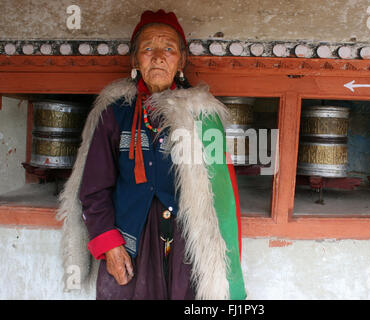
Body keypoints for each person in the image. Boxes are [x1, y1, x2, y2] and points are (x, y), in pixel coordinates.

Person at [57, 9, 246, 300]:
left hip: (186, 249)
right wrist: (110, 245)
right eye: (148, 48)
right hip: (129, 245)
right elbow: (94, 188)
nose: (158, 56)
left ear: (181, 61)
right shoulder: (114, 112)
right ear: (134, 60)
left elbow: (221, 197)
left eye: (169, 48)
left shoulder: (202, 116)